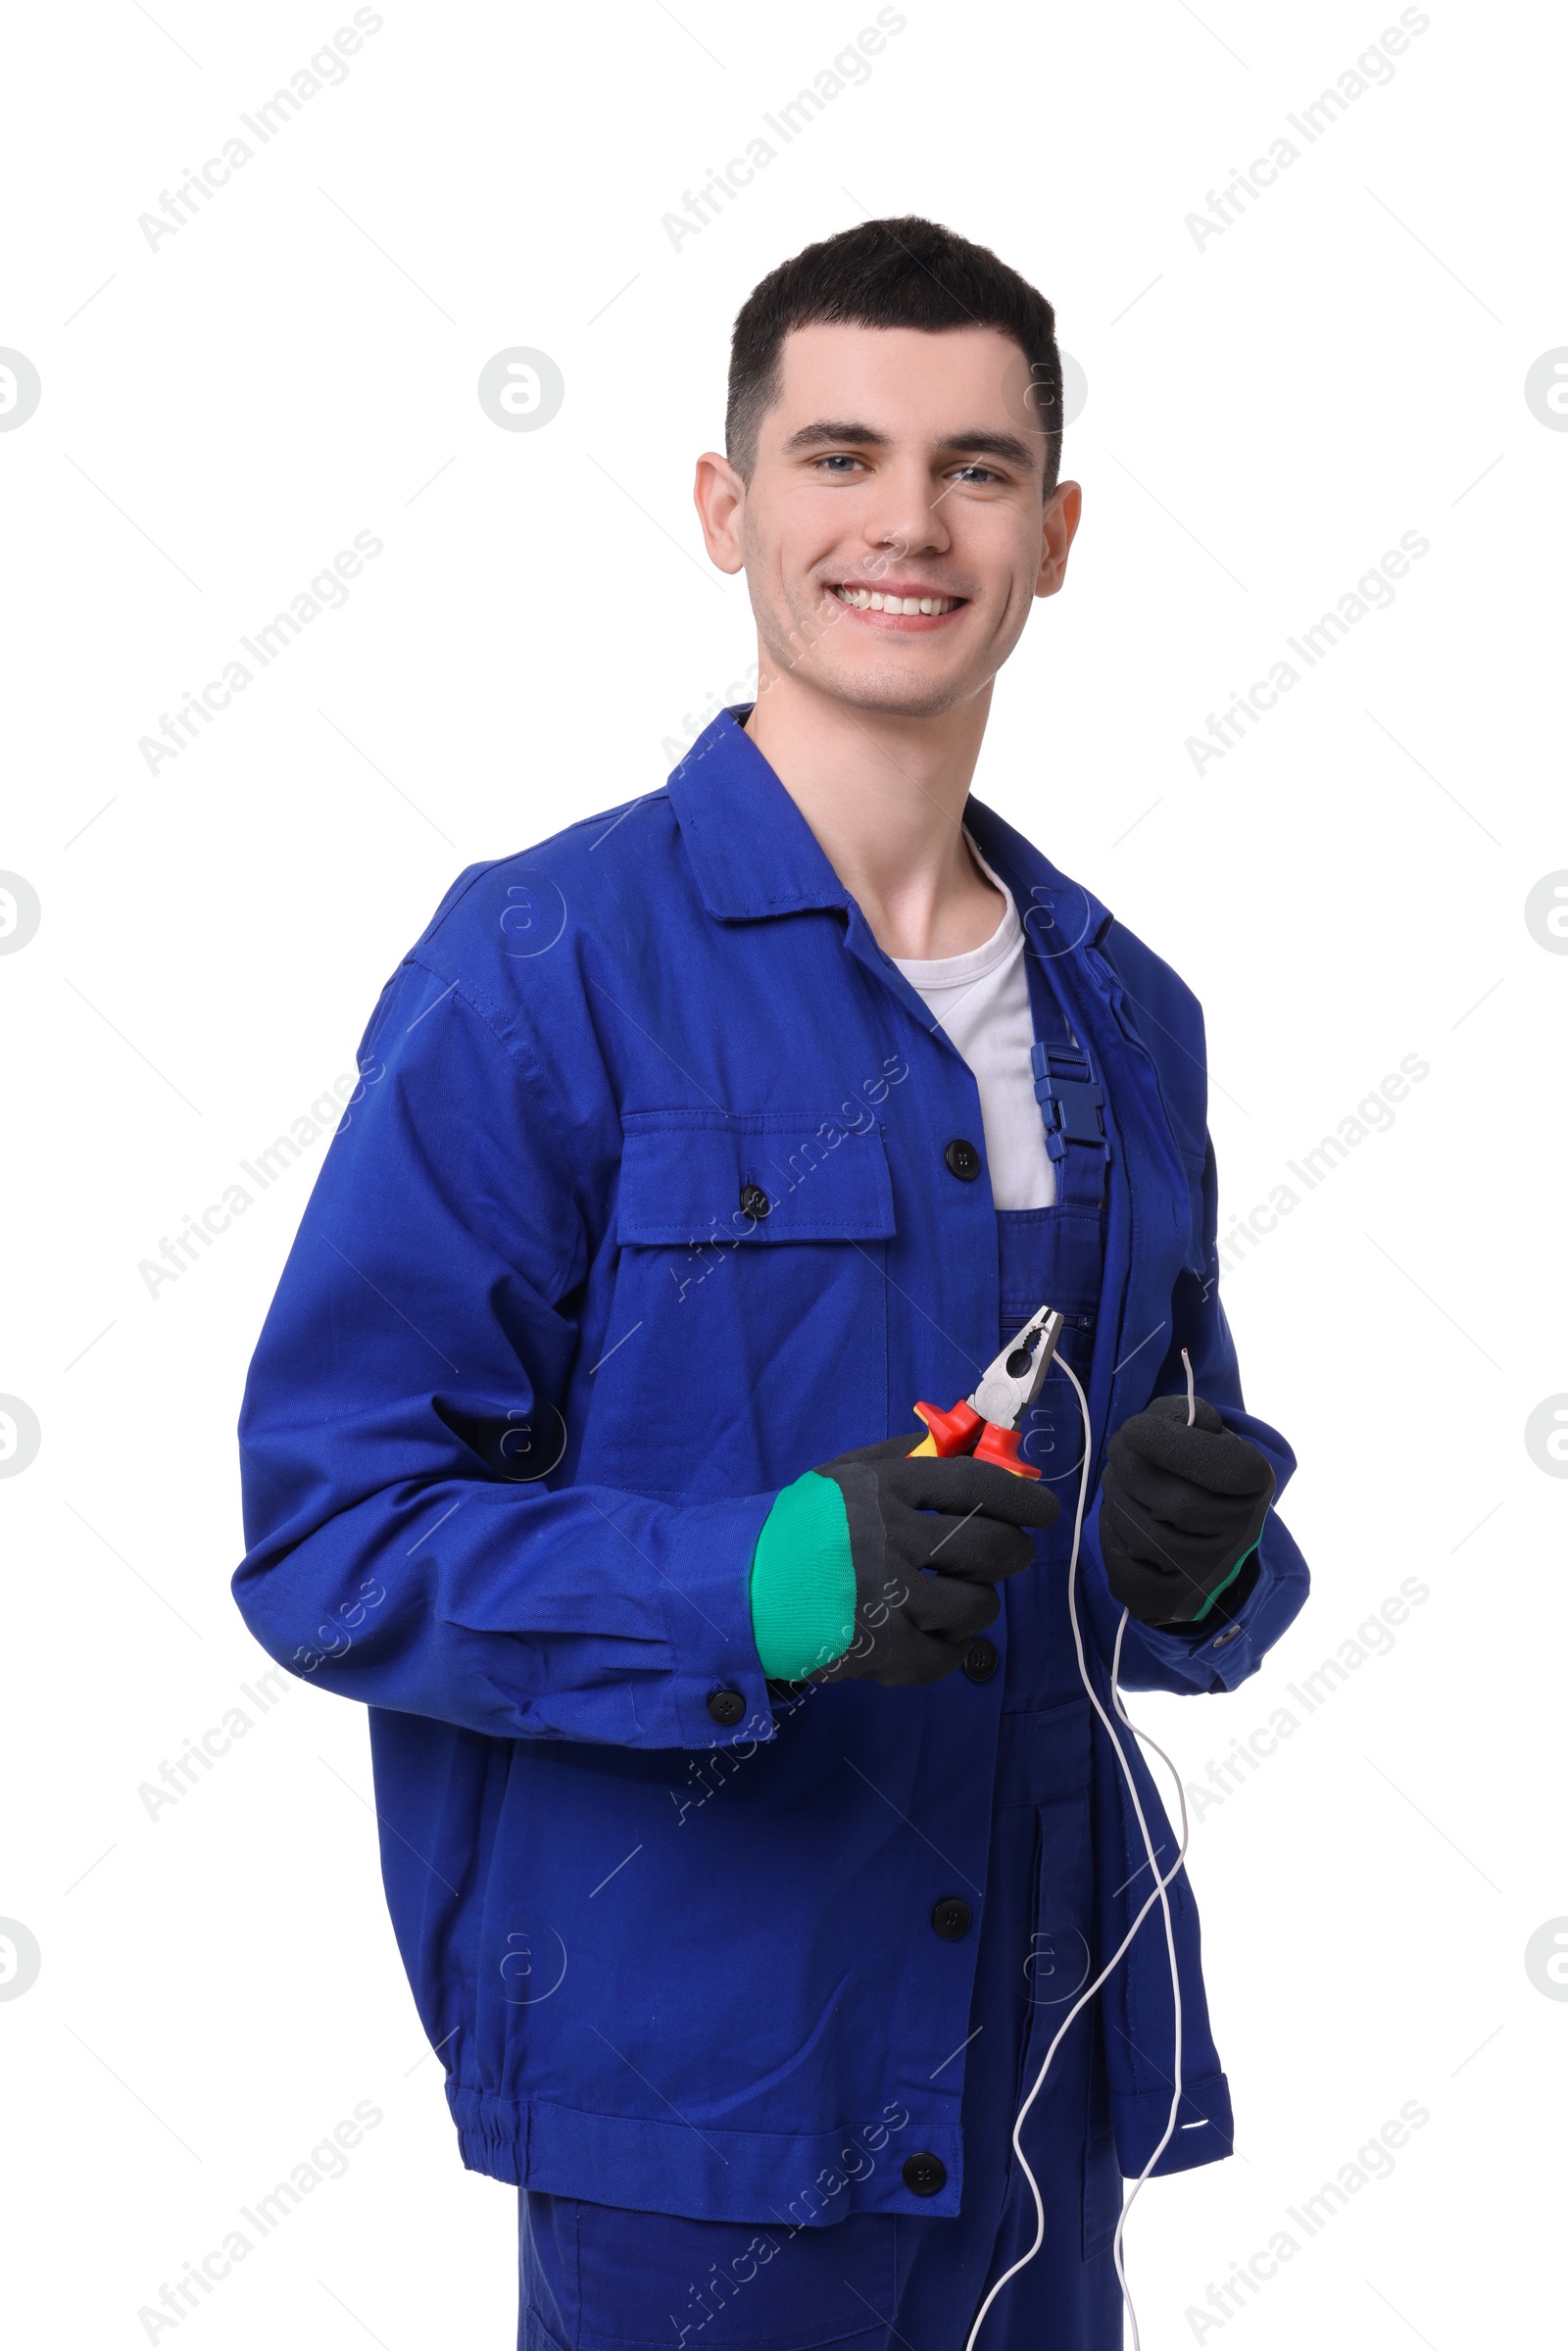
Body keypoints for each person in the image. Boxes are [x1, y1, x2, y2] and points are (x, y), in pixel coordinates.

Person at [233, 216, 1308, 2351]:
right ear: (728, 506)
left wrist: (1194, 1569)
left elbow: (1140, 1597)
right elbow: (329, 1538)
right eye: (838, 456)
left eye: (975, 469)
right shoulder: (543, 972)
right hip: (700, 2126)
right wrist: (754, 1589)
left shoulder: (1124, 1017)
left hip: (1034, 2104)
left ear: (1054, 532)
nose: (905, 521)